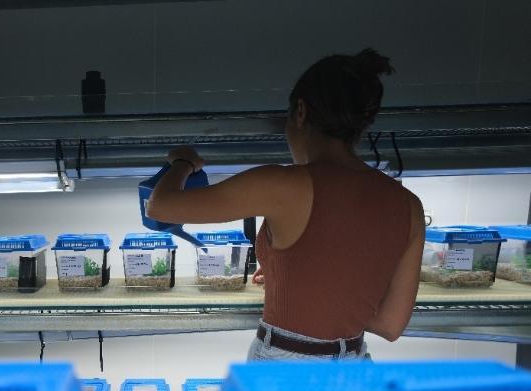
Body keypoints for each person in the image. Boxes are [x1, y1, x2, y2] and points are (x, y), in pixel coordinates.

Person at [146, 48, 425, 361]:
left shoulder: (285, 184)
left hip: (286, 370)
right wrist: (302, 287)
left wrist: (183, 162)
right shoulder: (408, 205)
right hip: (355, 371)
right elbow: (390, 324)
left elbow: (161, 206)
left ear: (301, 112)